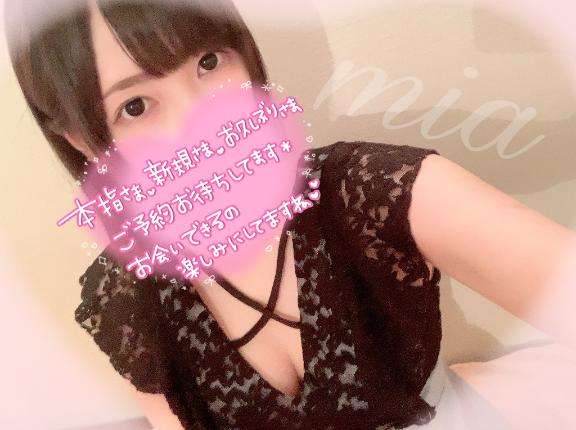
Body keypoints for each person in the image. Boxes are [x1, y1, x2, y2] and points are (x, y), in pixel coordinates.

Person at [4, 1, 575, 429]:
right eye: (135, 106)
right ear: (82, 140)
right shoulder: (126, 297)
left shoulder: (373, 193)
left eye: (208, 62)